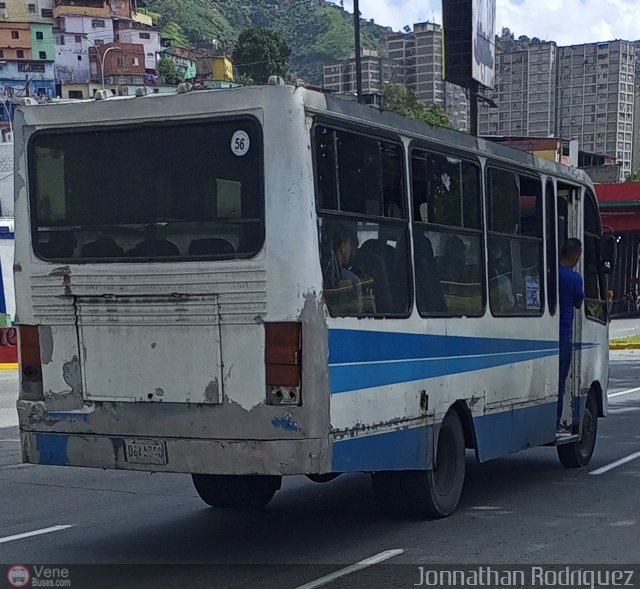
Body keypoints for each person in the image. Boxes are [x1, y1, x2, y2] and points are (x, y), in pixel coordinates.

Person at [557, 238, 585, 436]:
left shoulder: (549, 273)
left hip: (544, 334)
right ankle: (556, 422)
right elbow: (578, 303)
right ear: (576, 257)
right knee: (559, 381)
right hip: (563, 334)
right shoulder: (574, 279)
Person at [322, 224, 363, 315]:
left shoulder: (323, 270)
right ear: (342, 246)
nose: (351, 250)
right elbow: (358, 316)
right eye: (349, 244)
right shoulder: (353, 280)